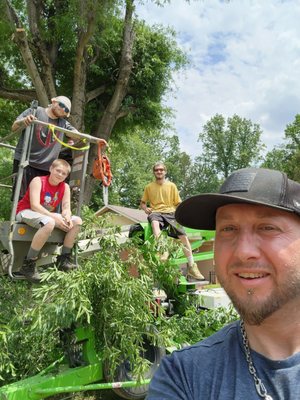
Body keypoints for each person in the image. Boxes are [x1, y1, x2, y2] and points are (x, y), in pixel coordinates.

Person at [146, 167, 300, 399]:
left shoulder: (171, 187)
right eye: (228, 229)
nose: (243, 252)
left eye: (268, 227)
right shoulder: (184, 377)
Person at [16, 159, 82, 283]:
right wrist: (54, 217)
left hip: (46, 216)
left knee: (77, 221)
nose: (60, 175)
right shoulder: (38, 181)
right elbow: (34, 205)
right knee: (49, 222)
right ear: (51, 169)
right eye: (58, 171)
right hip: (26, 211)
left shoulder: (65, 187)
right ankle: (28, 264)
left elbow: (66, 207)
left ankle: (64, 259)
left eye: (64, 174)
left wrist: (67, 216)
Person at [140, 161, 204, 281]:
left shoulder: (171, 186)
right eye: (156, 170)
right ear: (154, 172)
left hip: (171, 213)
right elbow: (142, 202)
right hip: (156, 213)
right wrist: (145, 208)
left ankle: (192, 266)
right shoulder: (149, 187)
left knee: (183, 237)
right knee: (154, 224)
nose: (159, 172)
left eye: (161, 170)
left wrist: (183, 215)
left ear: (165, 171)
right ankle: (163, 250)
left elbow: (178, 203)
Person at [11, 96, 78, 198]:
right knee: (21, 198)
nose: (63, 109)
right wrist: (24, 121)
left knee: (42, 200)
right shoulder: (35, 111)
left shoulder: (63, 124)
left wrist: (72, 138)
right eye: (61, 105)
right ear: (53, 101)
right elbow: (14, 127)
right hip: (25, 162)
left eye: (66, 109)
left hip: (46, 168)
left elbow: (76, 134)